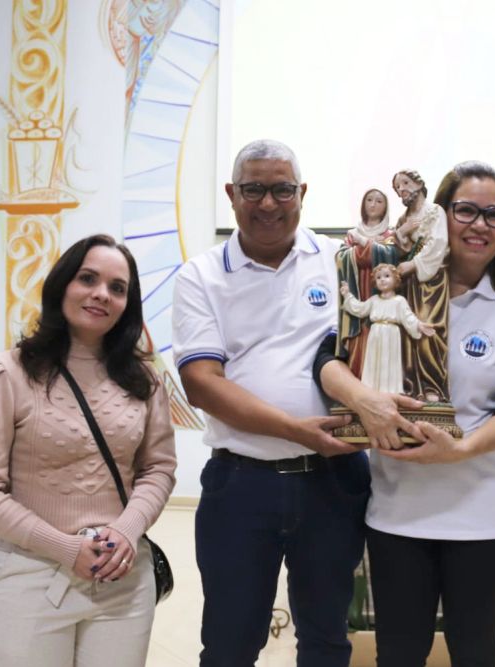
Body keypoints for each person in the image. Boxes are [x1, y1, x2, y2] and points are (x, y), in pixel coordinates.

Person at [316, 161, 495, 666]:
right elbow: (329, 356)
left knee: (474, 654)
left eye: (494, 214)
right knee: (398, 655)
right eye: (466, 210)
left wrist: (459, 450)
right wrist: (363, 401)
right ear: (441, 215)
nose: (480, 224)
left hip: (487, 518)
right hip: (399, 514)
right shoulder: (397, 285)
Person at [171, 139, 372, 666]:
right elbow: (201, 384)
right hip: (241, 485)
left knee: (327, 639)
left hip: (333, 483)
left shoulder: (342, 261)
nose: (268, 203)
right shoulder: (202, 275)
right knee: (230, 644)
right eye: (254, 189)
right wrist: (296, 430)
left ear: (302, 193)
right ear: (231, 194)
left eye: (282, 190)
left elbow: (425, 283)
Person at [0, 234, 178, 667]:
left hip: (122, 577)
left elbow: (158, 468)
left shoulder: (143, 381)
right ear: (61, 286)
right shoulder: (5, 374)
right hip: (27, 576)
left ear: (127, 304)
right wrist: (64, 547)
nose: (102, 294)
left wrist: (127, 530)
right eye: (88, 279)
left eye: (117, 288)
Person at [392, 169, 451, 403]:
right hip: (409, 285)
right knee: (408, 332)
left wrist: (414, 264)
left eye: (405, 183)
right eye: (398, 187)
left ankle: (432, 385)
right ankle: (411, 385)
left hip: (431, 282)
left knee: (429, 329)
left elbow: (439, 243)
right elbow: (400, 251)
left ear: (418, 184)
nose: (402, 189)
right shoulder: (403, 219)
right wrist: (401, 234)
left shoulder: (435, 211)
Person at [339, 263, 436, 394]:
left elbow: (408, 317)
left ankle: (390, 390)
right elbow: (360, 309)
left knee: (389, 362)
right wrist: (347, 295)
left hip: (391, 334)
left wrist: (419, 325)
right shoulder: (374, 300)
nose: (382, 280)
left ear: (395, 279)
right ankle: (370, 388)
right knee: (373, 360)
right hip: (375, 334)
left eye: (386, 276)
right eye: (378, 277)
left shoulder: (399, 301)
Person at [338, 188, 397, 378]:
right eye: (369, 200)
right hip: (356, 288)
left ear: (385, 207)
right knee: (358, 334)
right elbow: (341, 257)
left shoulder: (389, 234)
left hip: (377, 291)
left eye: (379, 201)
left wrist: (364, 244)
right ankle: (356, 376)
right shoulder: (352, 234)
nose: (373, 204)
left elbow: (390, 257)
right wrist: (369, 247)